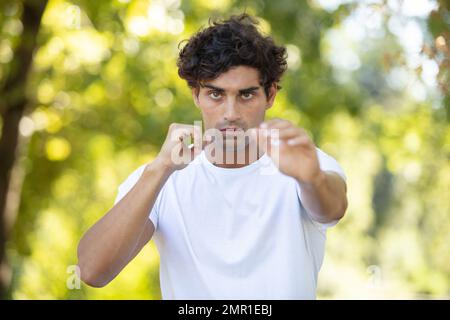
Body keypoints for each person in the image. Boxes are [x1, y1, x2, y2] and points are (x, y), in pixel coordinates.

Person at [77, 13, 348, 299]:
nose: (230, 113)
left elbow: (332, 209)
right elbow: (93, 271)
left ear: (270, 95)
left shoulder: (302, 163)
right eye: (216, 95)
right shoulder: (162, 176)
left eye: (246, 95)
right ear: (196, 94)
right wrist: (159, 170)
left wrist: (312, 179)